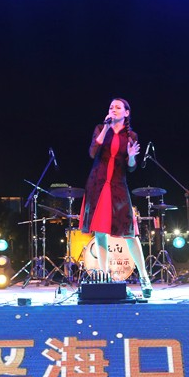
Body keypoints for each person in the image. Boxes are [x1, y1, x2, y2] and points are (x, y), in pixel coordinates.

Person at [79, 98, 153, 298]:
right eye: (111, 107)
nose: (113, 109)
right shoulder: (100, 128)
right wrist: (105, 127)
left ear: (126, 113)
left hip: (118, 186)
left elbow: (131, 167)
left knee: (130, 233)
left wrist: (131, 156)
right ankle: (104, 277)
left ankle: (144, 278)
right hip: (98, 183)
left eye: (118, 107)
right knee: (100, 232)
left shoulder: (131, 136)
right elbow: (92, 152)